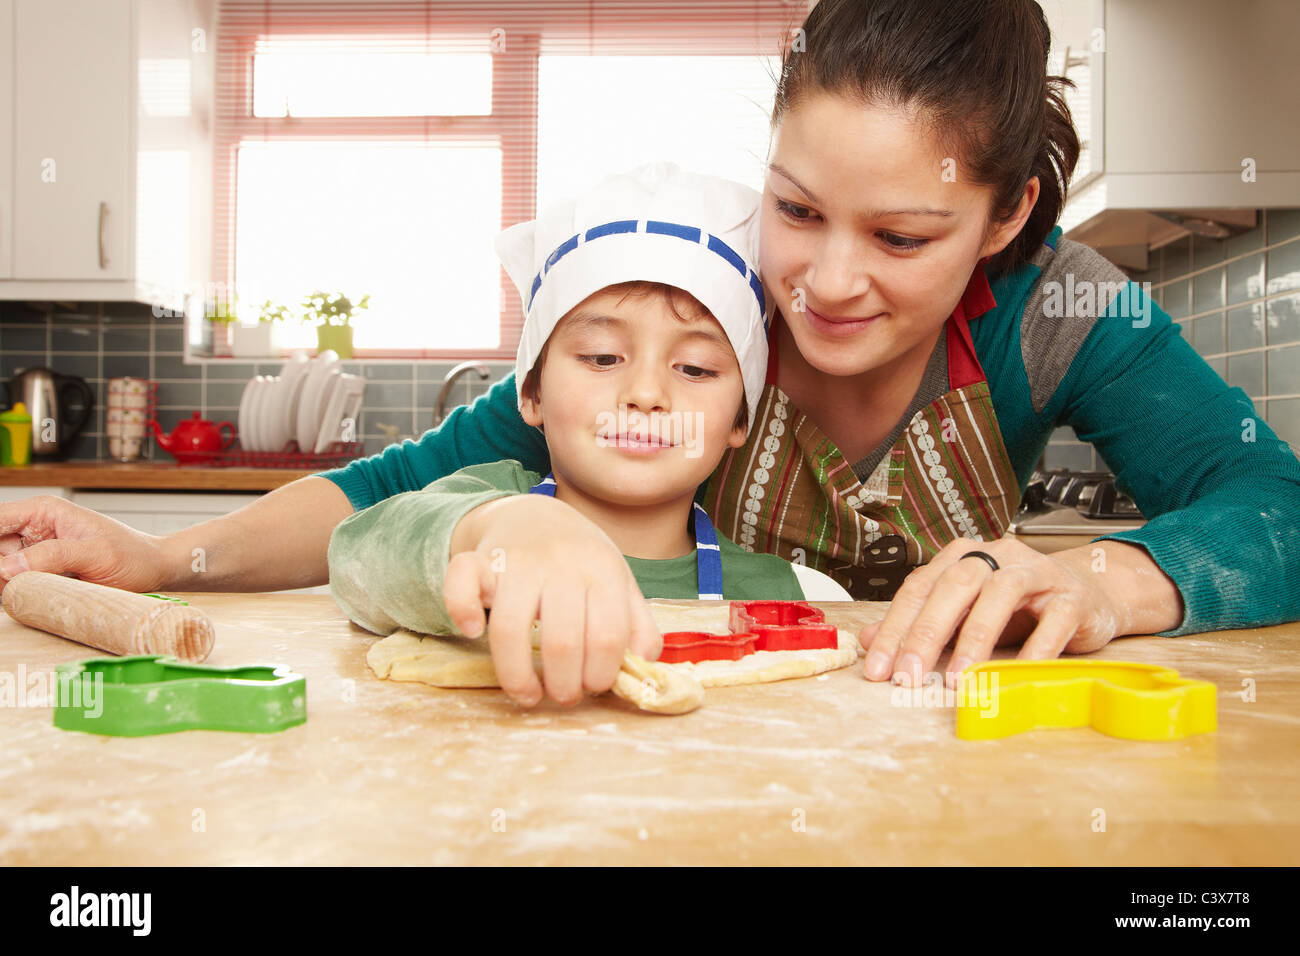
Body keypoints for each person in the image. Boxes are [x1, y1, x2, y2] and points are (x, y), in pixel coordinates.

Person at [1, 0, 1296, 707]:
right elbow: (393, 496)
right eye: (796, 208)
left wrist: (1123, 582)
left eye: (902, 235)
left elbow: (1273, 506)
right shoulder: (697, 309)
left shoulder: (1069, 310)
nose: (826, 282)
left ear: (1006, 216)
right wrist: (168, 555)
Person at [327, 163, 850, 706]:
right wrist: (494, 529)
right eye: (602, 357)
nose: (646, 394)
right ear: (530, 395)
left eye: (694, 368)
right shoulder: (488, 512)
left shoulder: (794, 596)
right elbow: (357, 560)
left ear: (739, 420)